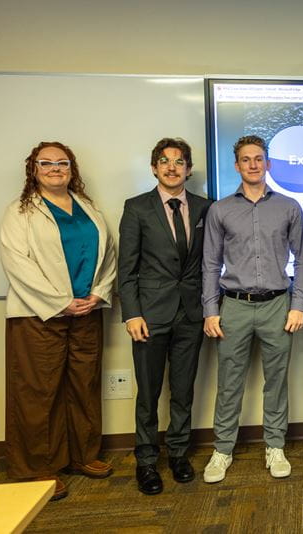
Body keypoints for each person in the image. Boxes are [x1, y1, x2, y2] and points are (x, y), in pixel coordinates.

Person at [0, 141, 117, 501]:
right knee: (38, 393)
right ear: (33, 169)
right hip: (38, 317)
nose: (55, 169)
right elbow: (17, 264)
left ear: (72, 168)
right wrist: (59, 302)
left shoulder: (88, 208)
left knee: (83, 386)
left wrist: (99, 292)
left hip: (86, 312)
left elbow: (108, 253)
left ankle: (83, 455)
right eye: (45, 163)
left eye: (62, 163)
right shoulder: (20, 212)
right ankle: (37, 469)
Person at [201, 135, 303, 483]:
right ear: (237, 165)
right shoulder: (220, 209)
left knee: (275, 382)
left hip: (278, 306)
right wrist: (210, 310)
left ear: (268, 164)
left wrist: (298, 305)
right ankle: (222, 450)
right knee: (229, 383)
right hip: (232, 305)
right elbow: (209, 264)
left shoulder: (289, 207)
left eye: (258, 158)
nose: (252, 164)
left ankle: (274, 446)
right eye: (246, 159)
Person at [118, 138, 212, 495]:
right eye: (164, 161)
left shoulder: (205, 208)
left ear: (188, 169)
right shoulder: (137, 208)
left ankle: (177, 454)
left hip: (191, 315)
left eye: (179, 161)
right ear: (154, 168)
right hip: (149, 317)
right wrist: (132, 314)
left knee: (183, 391)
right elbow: (127, 269)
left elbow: (209, 263)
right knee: (148, 392)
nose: (172, 167)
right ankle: (145, 461)